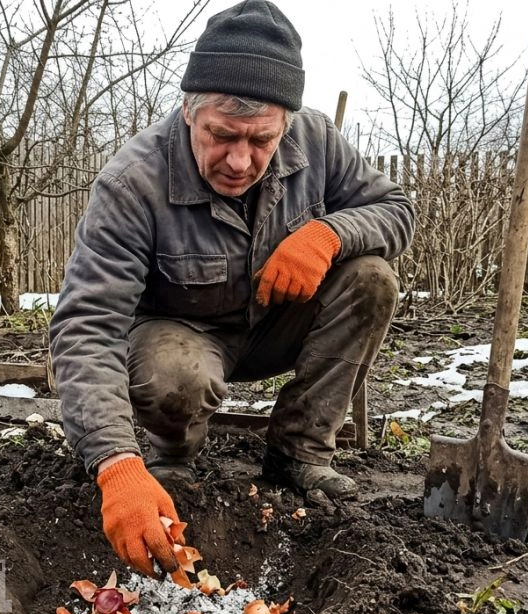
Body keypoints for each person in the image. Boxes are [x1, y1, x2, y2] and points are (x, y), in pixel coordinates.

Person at [48, 0, 415, 577]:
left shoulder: (317, 140)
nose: (240, 161)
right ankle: (173, 459)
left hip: (278, 325)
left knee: (372, 279)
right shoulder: (133, 181)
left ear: (286, 124)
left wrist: (329, 234)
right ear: (189, 111)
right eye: (221, 135)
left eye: (261, 140)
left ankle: (297, 452)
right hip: (183, 338)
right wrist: (115, 464)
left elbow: (396, 209)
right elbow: (87, 324)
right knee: (175, 371)